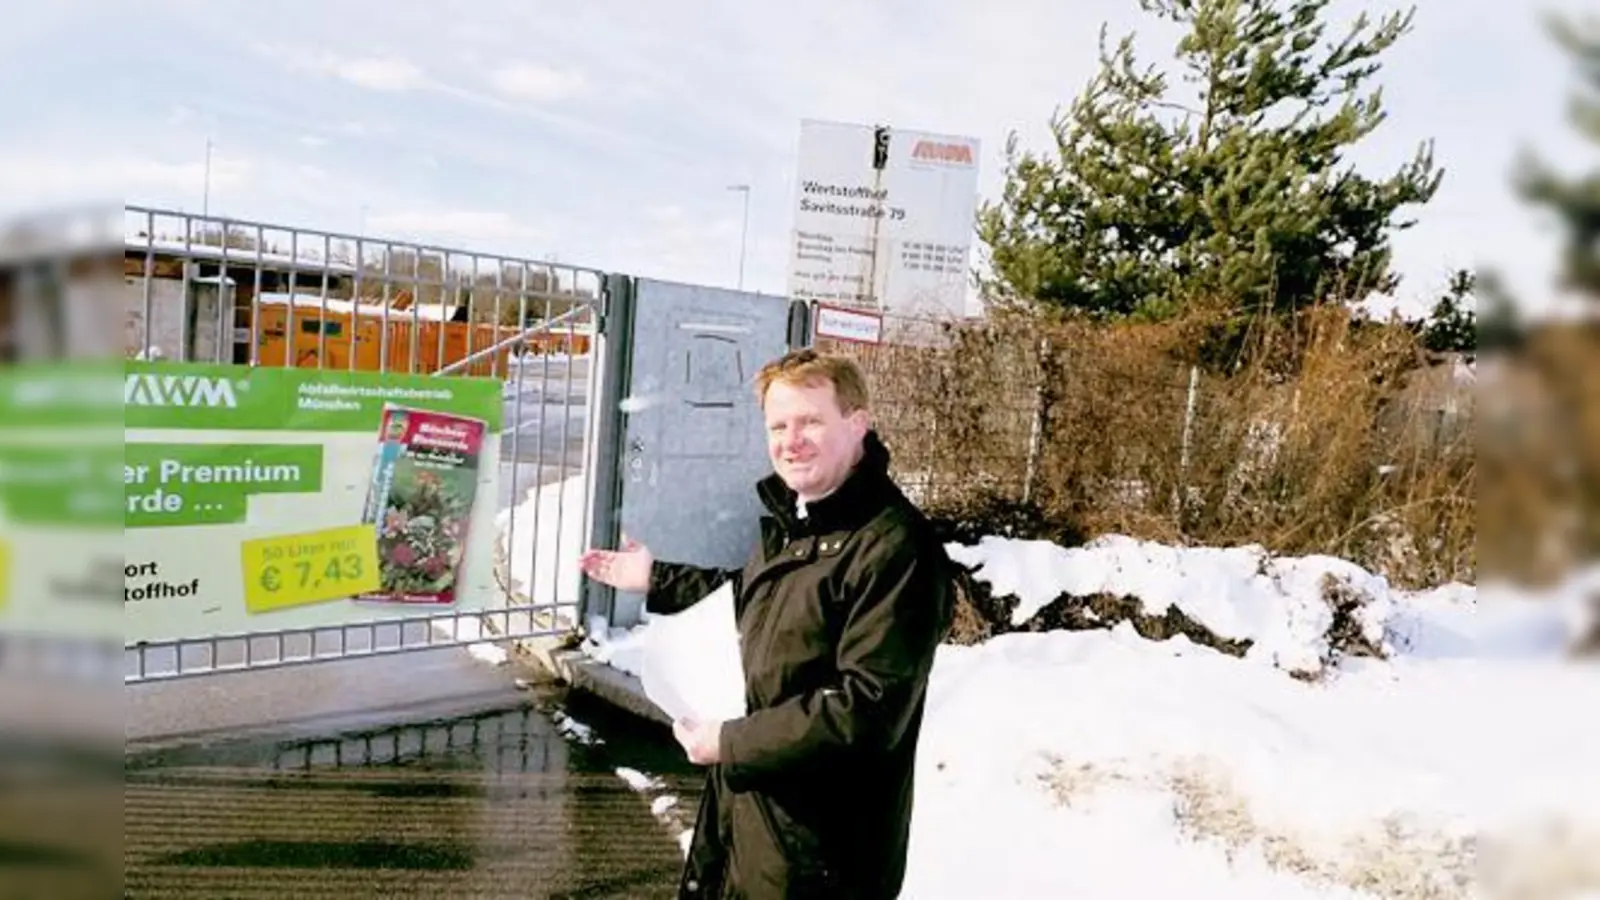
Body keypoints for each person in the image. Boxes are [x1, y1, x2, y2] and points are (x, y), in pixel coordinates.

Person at [579, 348, 956, 899]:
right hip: (755, 826)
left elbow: (867, 710)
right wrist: (656, 578)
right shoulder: (800, 523)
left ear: (857, 425)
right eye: (778, 425)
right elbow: (760, 599)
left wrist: (730, 742)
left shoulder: (895, 547)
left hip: (820, 858)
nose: (791, 440)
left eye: (810, 421)